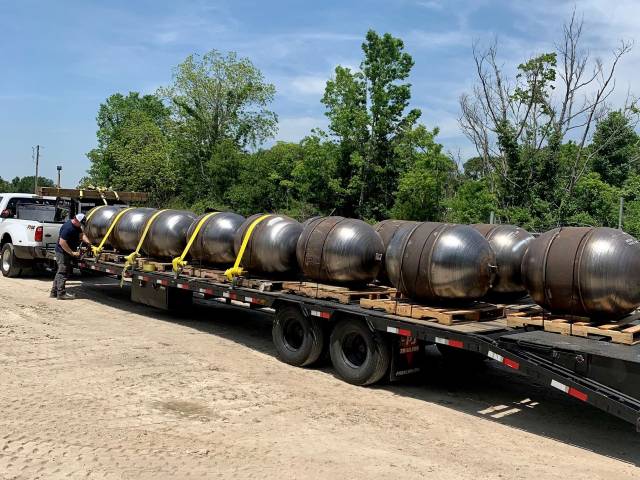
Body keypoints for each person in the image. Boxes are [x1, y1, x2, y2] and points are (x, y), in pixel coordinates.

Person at [50, 213, 89, 300]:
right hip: (61, 252)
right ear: (76, 220)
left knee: (60, 272)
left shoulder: (77, 226)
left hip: (65, 252)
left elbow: (81, 235)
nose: (81, 226)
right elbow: (62, 242)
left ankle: (54, 292)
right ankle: (61, 294)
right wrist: (72, 253)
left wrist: (89, 242)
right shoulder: (68, 228)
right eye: (81, 224)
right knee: (63, 272)